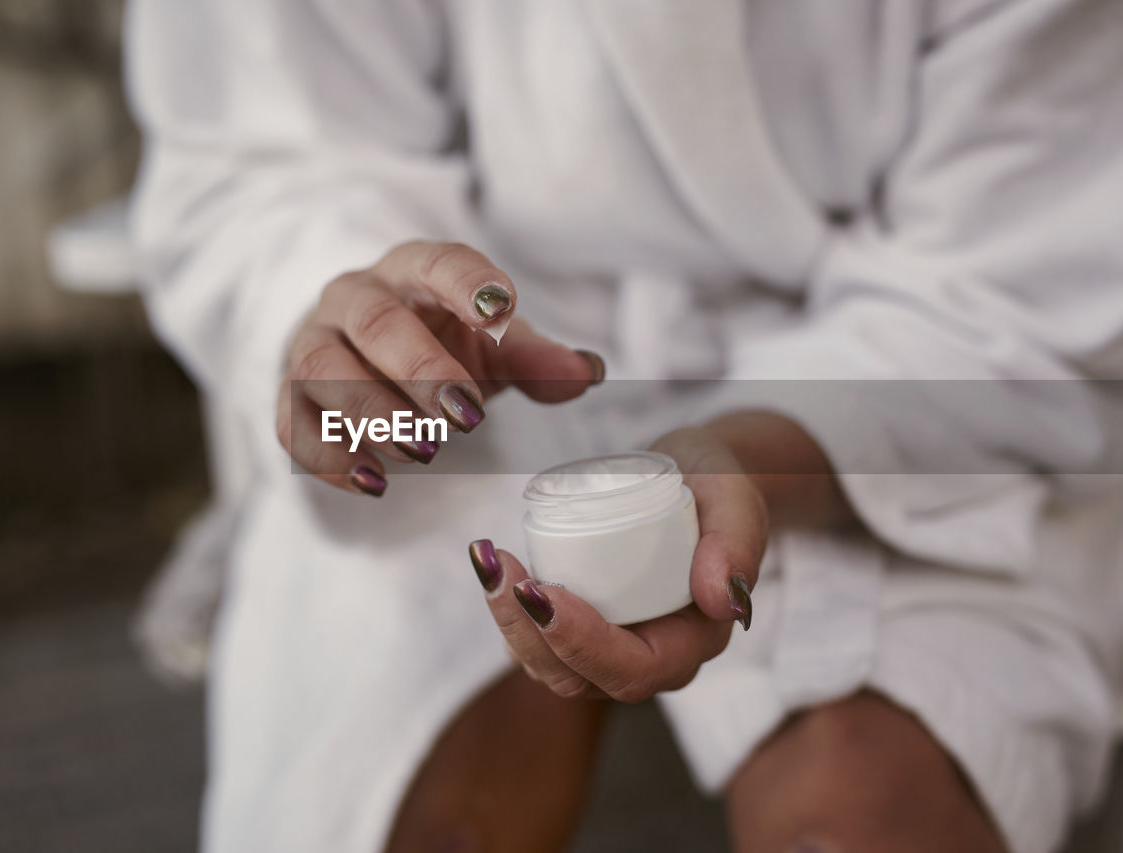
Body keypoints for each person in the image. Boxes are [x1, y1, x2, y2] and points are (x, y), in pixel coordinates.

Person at [125, 1, 1123, 851]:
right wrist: (357, 340)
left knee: (859, 809)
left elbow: (1018, 268)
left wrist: (748, 456)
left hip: (916, 400)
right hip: (481, 377)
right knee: (407, 810)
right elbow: (263, 146)